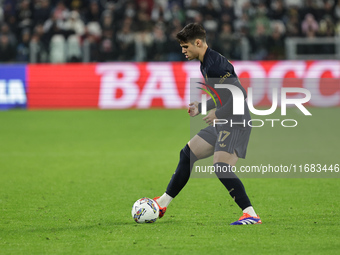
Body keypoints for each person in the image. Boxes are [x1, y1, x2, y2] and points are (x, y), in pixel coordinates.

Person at [154, 23, 261, 225]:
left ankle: (251, 214)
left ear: (198, 43)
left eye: (185, 47)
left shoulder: (214, 66)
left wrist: (218, 113)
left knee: (221, 167)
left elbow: (241, 95)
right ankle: (162, 203)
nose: (183, 51)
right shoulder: (206, 62)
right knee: (187, 153)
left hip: (236, 122)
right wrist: (202, 107)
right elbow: (225, 95)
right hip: (225, 120)